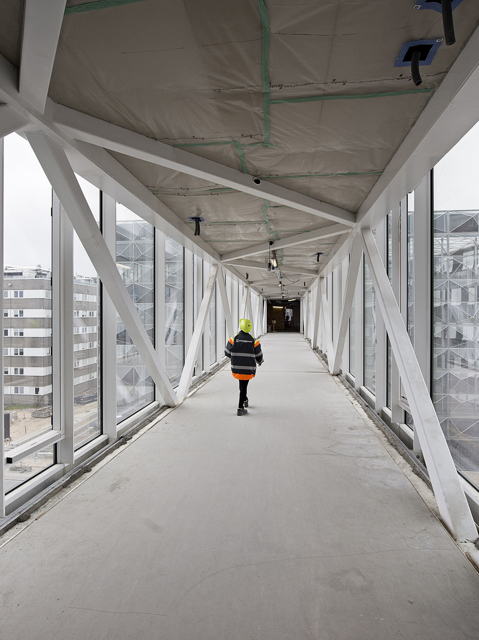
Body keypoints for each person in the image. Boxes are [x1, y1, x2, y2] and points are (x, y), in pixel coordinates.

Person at [225, 318, 264, 416]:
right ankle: (240, 407)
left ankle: (245, 399)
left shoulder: (233, 339)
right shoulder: (254, 341)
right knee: (244, 386)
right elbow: (259, 354)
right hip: (248, 369)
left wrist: (235, 357)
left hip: (236, 367)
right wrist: (259, 361)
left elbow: (227, 352)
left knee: (242, 384)